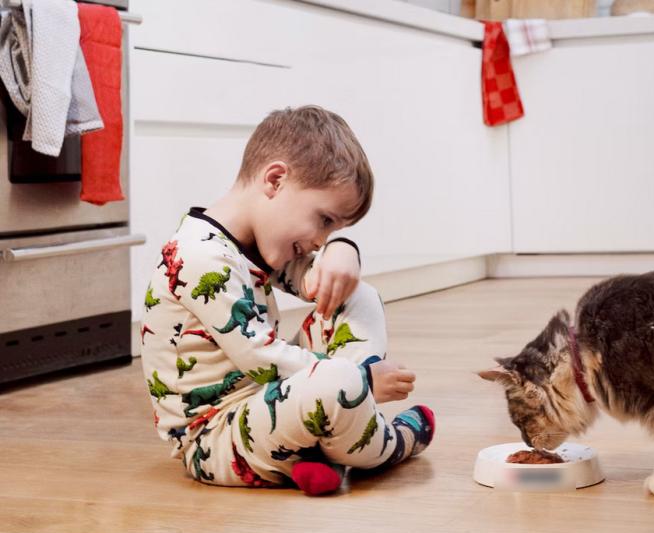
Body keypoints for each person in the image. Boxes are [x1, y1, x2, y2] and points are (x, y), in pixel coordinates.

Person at [141, 106, 434, 496]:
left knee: (358, 296)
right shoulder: (199, 255)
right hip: (215, 438)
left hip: (270, 402)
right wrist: (362, 380)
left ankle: (324, 440)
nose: (320, 241)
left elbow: (320, 281)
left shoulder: (253, 240)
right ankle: (388, 442)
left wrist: (344, 249)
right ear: (275, 180)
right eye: (325, 221)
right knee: (339, 381)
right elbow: (260, 359)